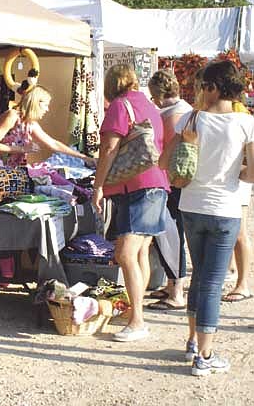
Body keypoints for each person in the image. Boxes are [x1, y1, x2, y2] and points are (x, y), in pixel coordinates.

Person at [160, 60, 254, 376]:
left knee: (200, 277)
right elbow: (252, 173)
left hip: (191, 204)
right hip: (224, 208)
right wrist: (232, 172)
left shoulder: (191, 118)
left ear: (212, 87)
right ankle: (205, 354)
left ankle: (191, 340)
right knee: (213, 283)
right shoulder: (245, 123)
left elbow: (163, 160)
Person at [92, 64, 169, 342]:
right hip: (155, 184)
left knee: (125, 253)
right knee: (138, 253)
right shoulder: (148, 105)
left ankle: (137, 320)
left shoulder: (119, 106)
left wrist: (98, 186)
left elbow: (109, 148)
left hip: (138, 188)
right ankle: (135, 313)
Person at [146, 69, 194, 310]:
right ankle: (171, 283)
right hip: (178, 181)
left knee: (171, 233)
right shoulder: (185, 109)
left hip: (172, 182)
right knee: (172, 233)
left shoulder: (173, 115)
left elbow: (163, 149)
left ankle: (177, 291)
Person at [0, 85, 96, 167]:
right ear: (36, 102)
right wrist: (22, 149)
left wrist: (84, 158)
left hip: (6, 172)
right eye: (46, 105)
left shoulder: (29, 124)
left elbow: (53, 144)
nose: (47, 110)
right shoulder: (12, 116)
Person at [221, 95, 253, 302]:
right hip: (233, 177)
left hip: (238, 177)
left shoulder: (238, 113)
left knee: (240, 232)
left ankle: (243, 284)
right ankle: (231, 269)